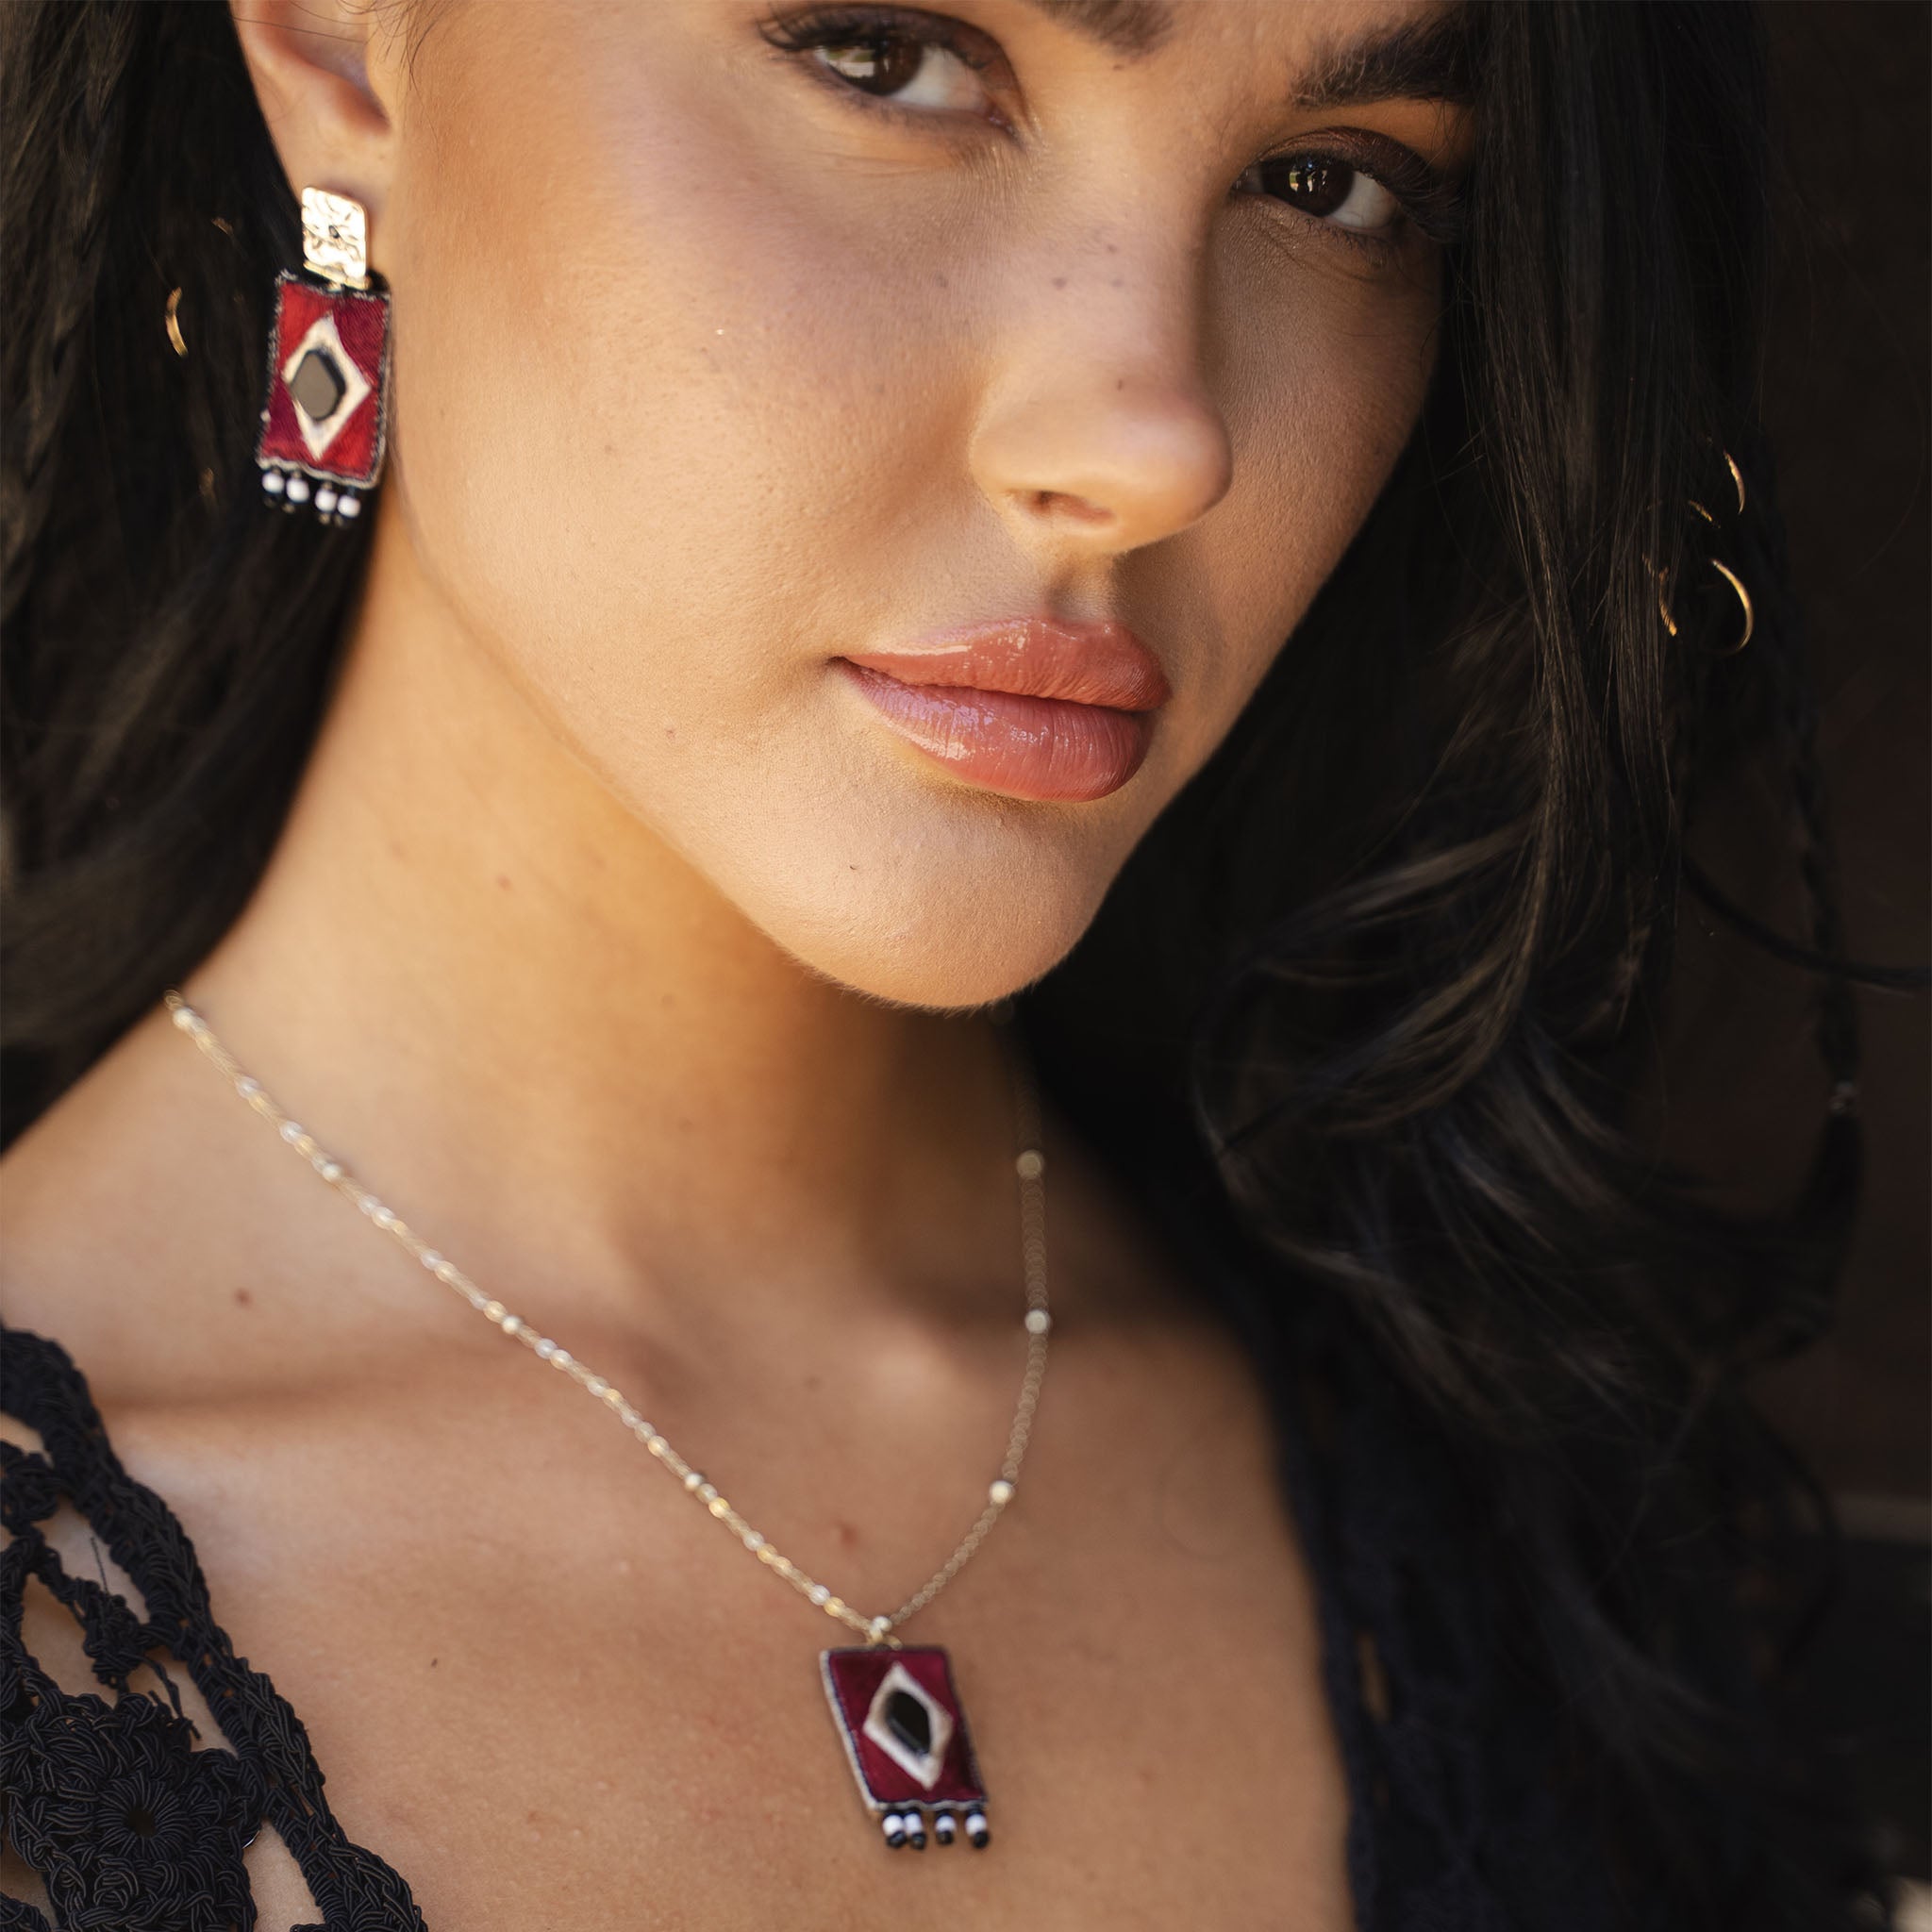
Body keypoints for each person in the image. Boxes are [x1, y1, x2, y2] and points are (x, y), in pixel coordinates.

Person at [0, 1, 1893, 1926]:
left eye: (1331, 184)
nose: (1157, 441)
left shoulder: (1577, 1529)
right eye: (891, 61)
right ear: (340, 44)